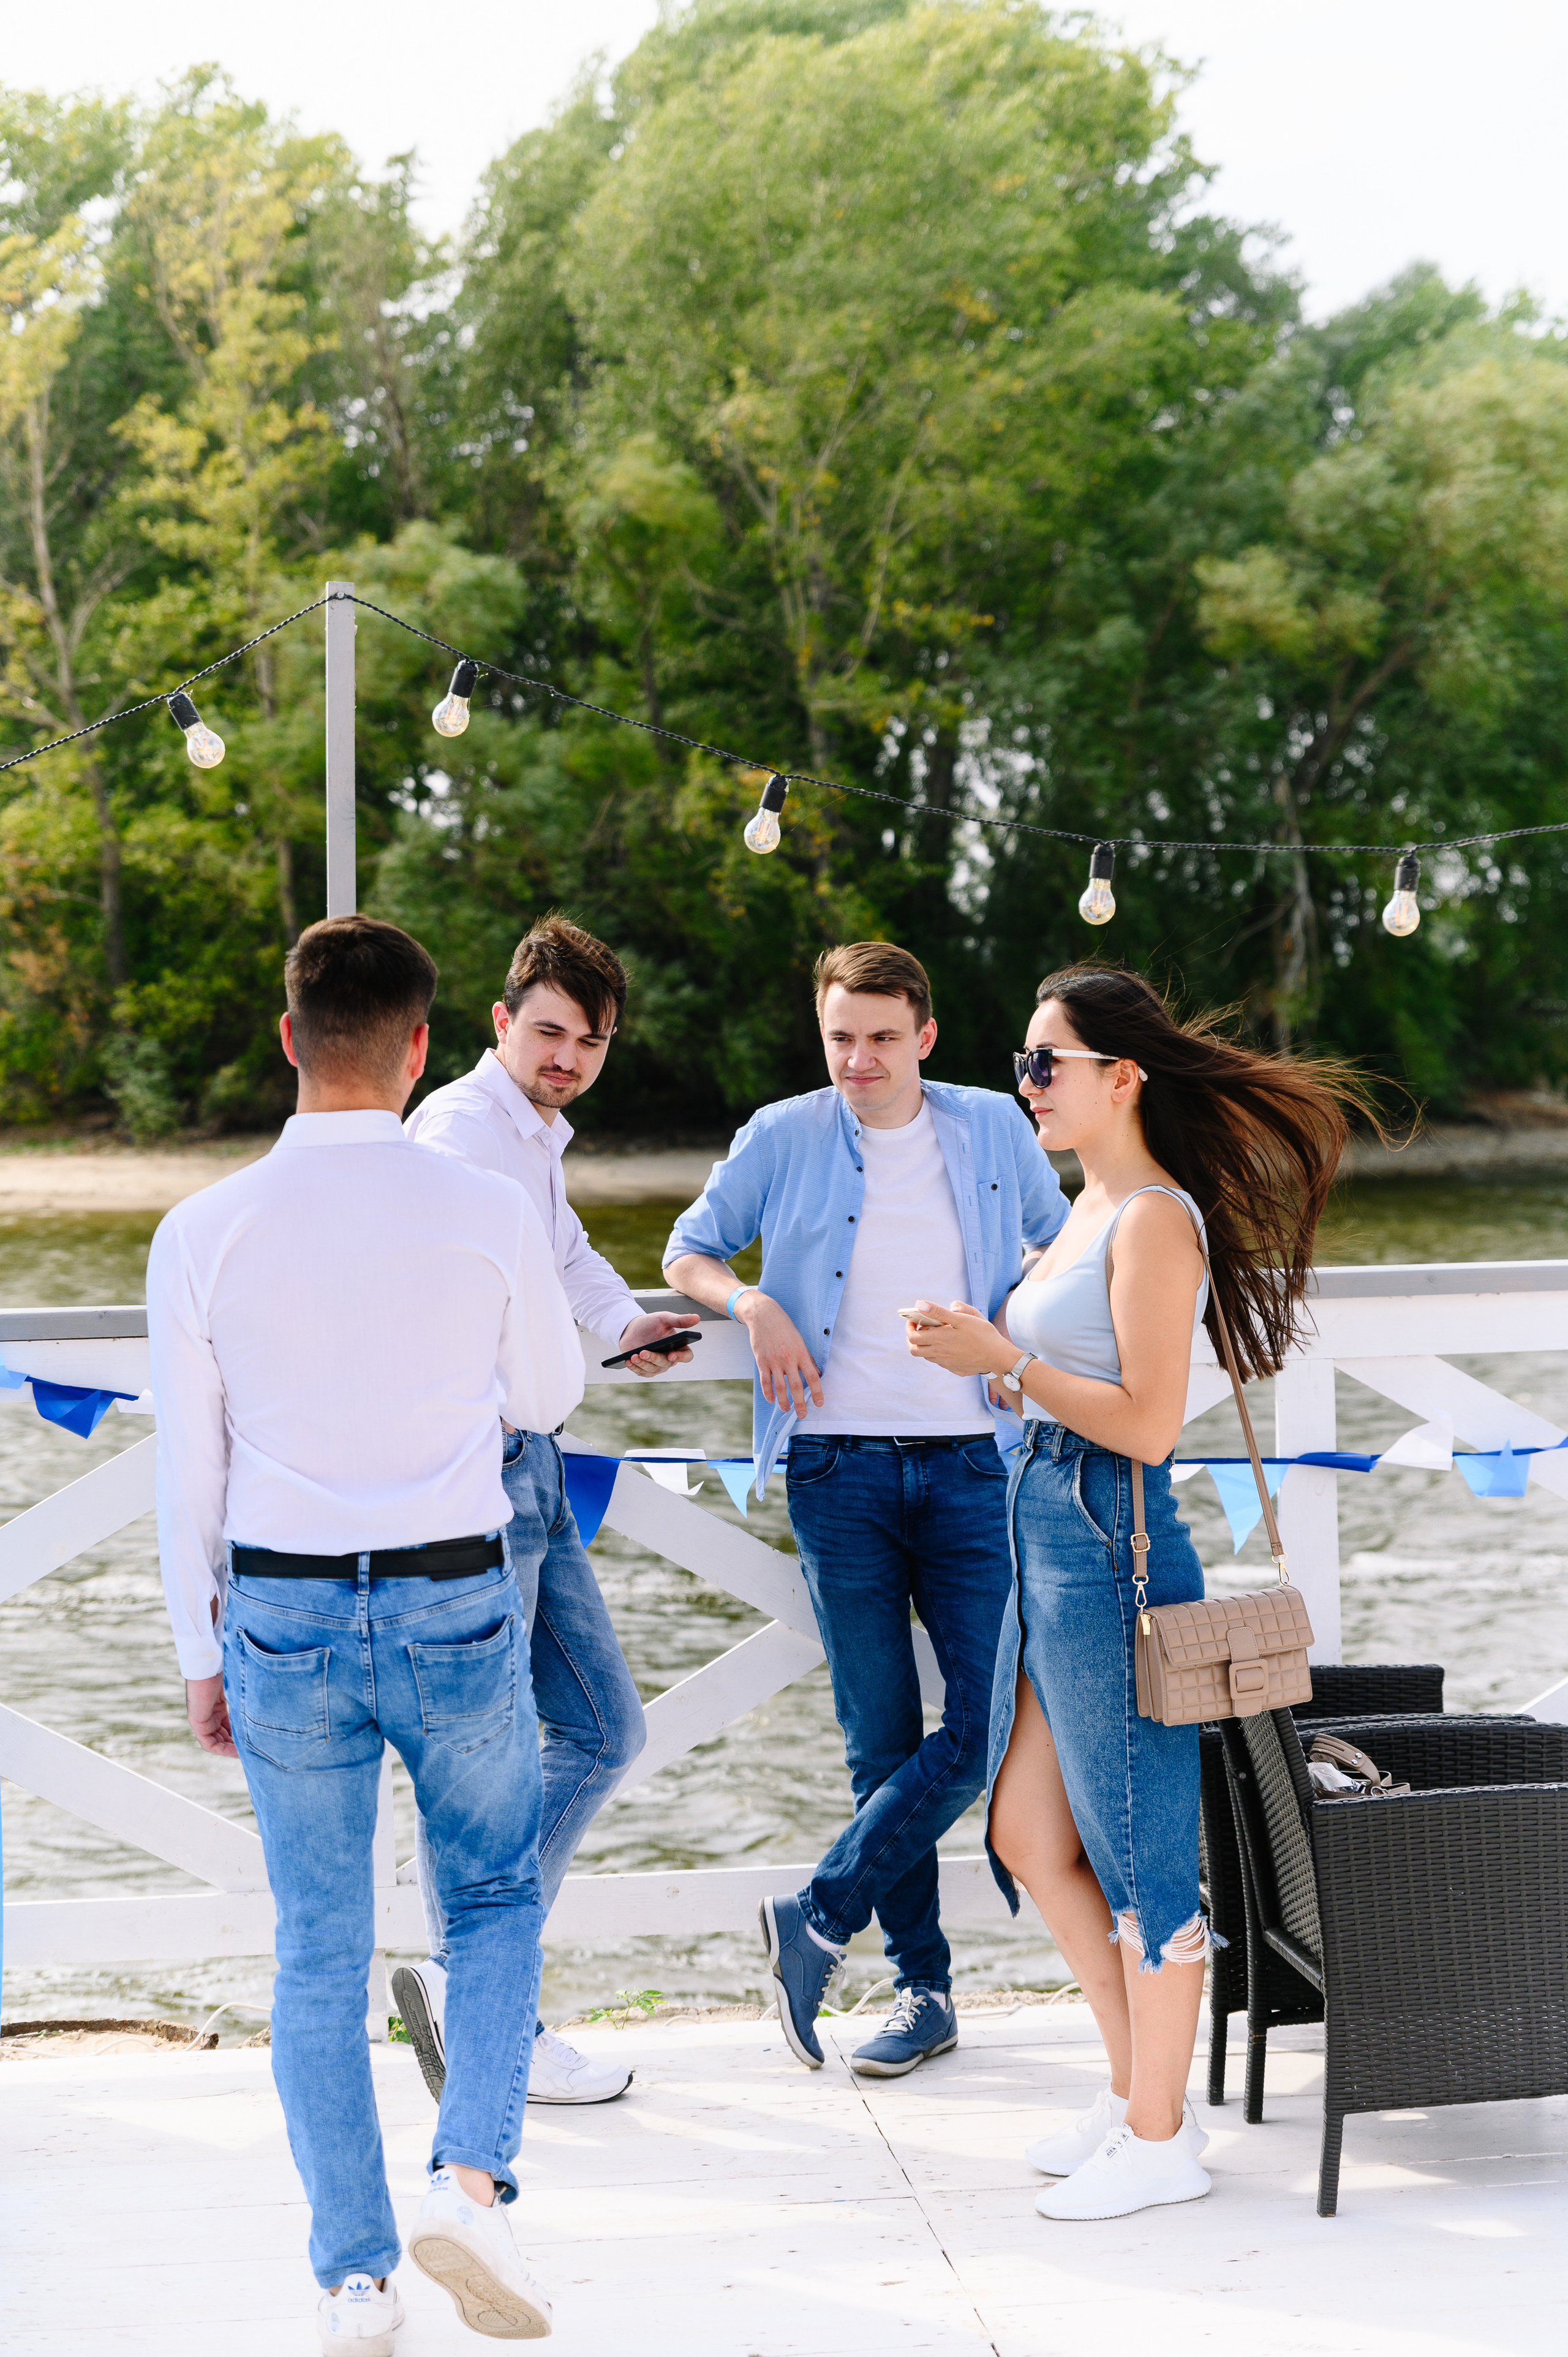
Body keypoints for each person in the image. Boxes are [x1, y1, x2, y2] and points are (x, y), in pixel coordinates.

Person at [148, 915, 584, 2348]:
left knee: (318, 1951)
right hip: (454, 1593)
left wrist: (202, 1655)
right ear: (417, 1049)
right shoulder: (483, 1207)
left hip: (279, 1612)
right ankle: (469, 2180)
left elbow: (186, 1476)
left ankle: (354, 2276)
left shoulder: (203, 1231)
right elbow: (544, 1396)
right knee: (494, 1894)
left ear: (289, 1039)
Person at [905, 963, 1362, 2221]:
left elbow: (1150, 1427)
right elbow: (1068, 1382)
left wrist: (1001, 1358)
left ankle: (1160, 2138)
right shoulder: (1082, 1204)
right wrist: (995, 1371)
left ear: (1121, 1075)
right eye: (1020, 1064)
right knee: (1022, 1831)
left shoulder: (1152, 1215)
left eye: (1046, 1063)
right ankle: (1133, 2090)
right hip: (1044, 1535)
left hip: (1112, 1549)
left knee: (1138, 1858)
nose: (1027, 1084)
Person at [663, 942, 1067, 2077]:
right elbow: (686, 1248)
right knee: (879, 1738)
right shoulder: (782, 1134)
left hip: (973, 1468)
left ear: (925, 1037)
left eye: (884, 1037)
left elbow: (1054, 1249)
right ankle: (922, 1991)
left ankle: (818, 1916)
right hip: (835, 1468)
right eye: (842, 1037)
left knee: (985, 1725)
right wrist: (751, 1303)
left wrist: (1014, 1342)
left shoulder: (991, 1125)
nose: (860, 1059)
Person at [394, 915, 698, 2108]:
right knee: (480, 1753)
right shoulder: (461, 1132)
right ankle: (490, 2011)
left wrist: (627, 1327)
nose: (569, 1055)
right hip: (479, 1467)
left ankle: (469, 1975)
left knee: (602, 1729)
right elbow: (446, 1302)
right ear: (502, 1021)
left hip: (535, 1463)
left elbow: (564, 1257)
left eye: (591, 1039)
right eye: (552, 1031)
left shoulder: (531, 1137)